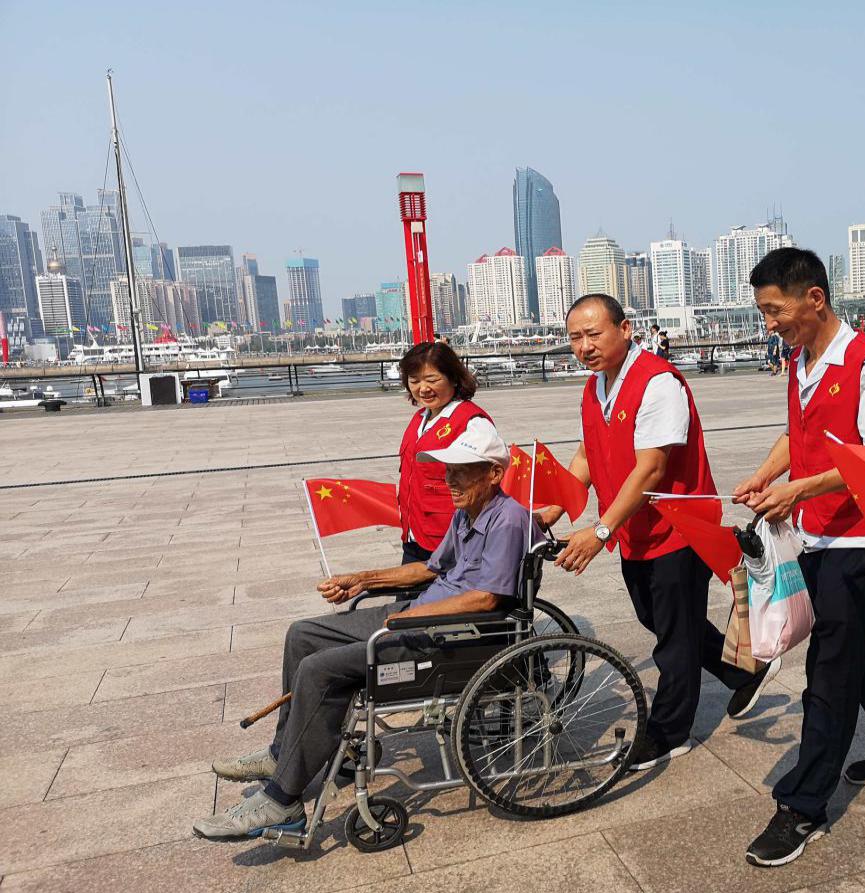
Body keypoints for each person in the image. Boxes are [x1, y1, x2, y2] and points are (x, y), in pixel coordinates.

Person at [195, 423, 534, 840]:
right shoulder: (468, 514)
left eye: (462, 470)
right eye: (448, 470)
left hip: (452, 639)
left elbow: (486, 599)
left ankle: (282, 801)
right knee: (302, 634)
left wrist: (409, 619)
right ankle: (284, 754)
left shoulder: (508, 520)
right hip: (417, 616)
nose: (450, 480)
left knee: (319, 670)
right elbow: (430, 568)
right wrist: (363, 580)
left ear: (494, 473)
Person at [733, 248, 865, 867]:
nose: (769, 324)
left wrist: (800, 489)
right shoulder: (800, 360)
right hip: (814, 533)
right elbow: (799, 434)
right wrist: (767, 476)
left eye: (775, 310)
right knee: (852, 648)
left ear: (814, 298)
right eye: (763, 313)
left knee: (830, 670)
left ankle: (803, 805)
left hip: (859, 539)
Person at [538, 293, 780, 771]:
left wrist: (599, 531)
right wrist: (551, 511)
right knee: (660, 619)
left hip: (678, 530)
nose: (584, 346)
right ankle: (744, 672)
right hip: (636, 530)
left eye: (594, 334)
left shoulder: (658, 383)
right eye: (575, 337)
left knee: (673, 639)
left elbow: (651, 469)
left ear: (625, 329)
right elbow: (587, 456)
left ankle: (669, 732)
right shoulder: (594, 389)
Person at [396, 341, 494, 564]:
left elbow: (487, 485)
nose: (423, 388)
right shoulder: (419, 418)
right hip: (414, 537)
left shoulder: (471, 422)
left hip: (451, 543)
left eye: (432, 380)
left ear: (454, 378)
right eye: (414, 381)